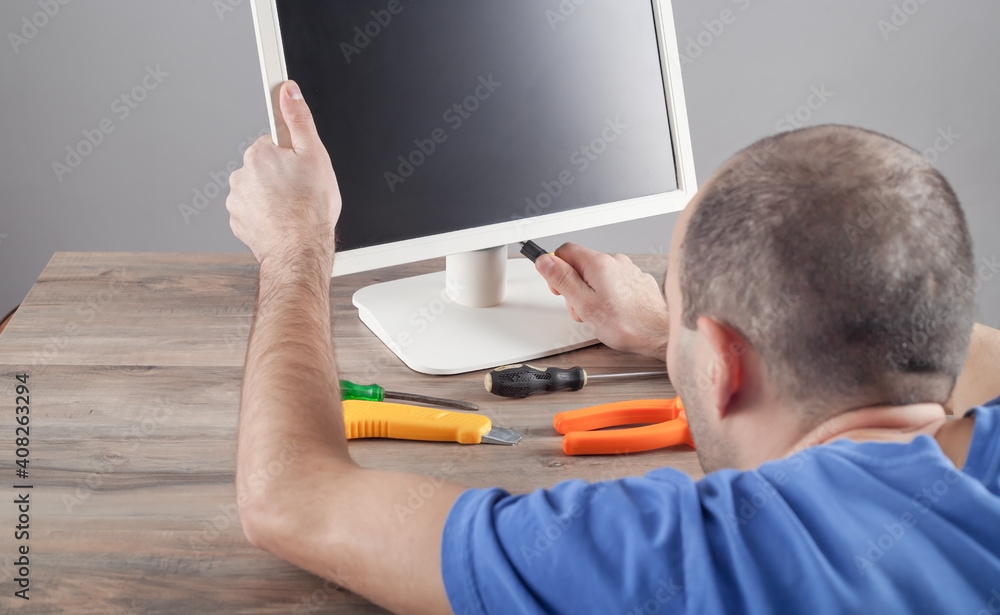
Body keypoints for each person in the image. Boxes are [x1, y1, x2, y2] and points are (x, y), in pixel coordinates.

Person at [226, 81, 1000, 614]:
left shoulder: (670, 560)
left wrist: (294, 245)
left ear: (725, 367)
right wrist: (680, 329)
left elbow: (287, 495)